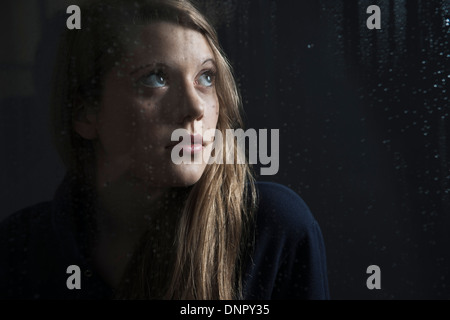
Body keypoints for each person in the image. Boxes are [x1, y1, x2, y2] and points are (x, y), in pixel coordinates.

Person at [0, 0, 329, 300]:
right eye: (155, 78)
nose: (195, 107)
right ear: (86, 112)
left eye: (206, 77)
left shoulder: (272, 227)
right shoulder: (21, 246)